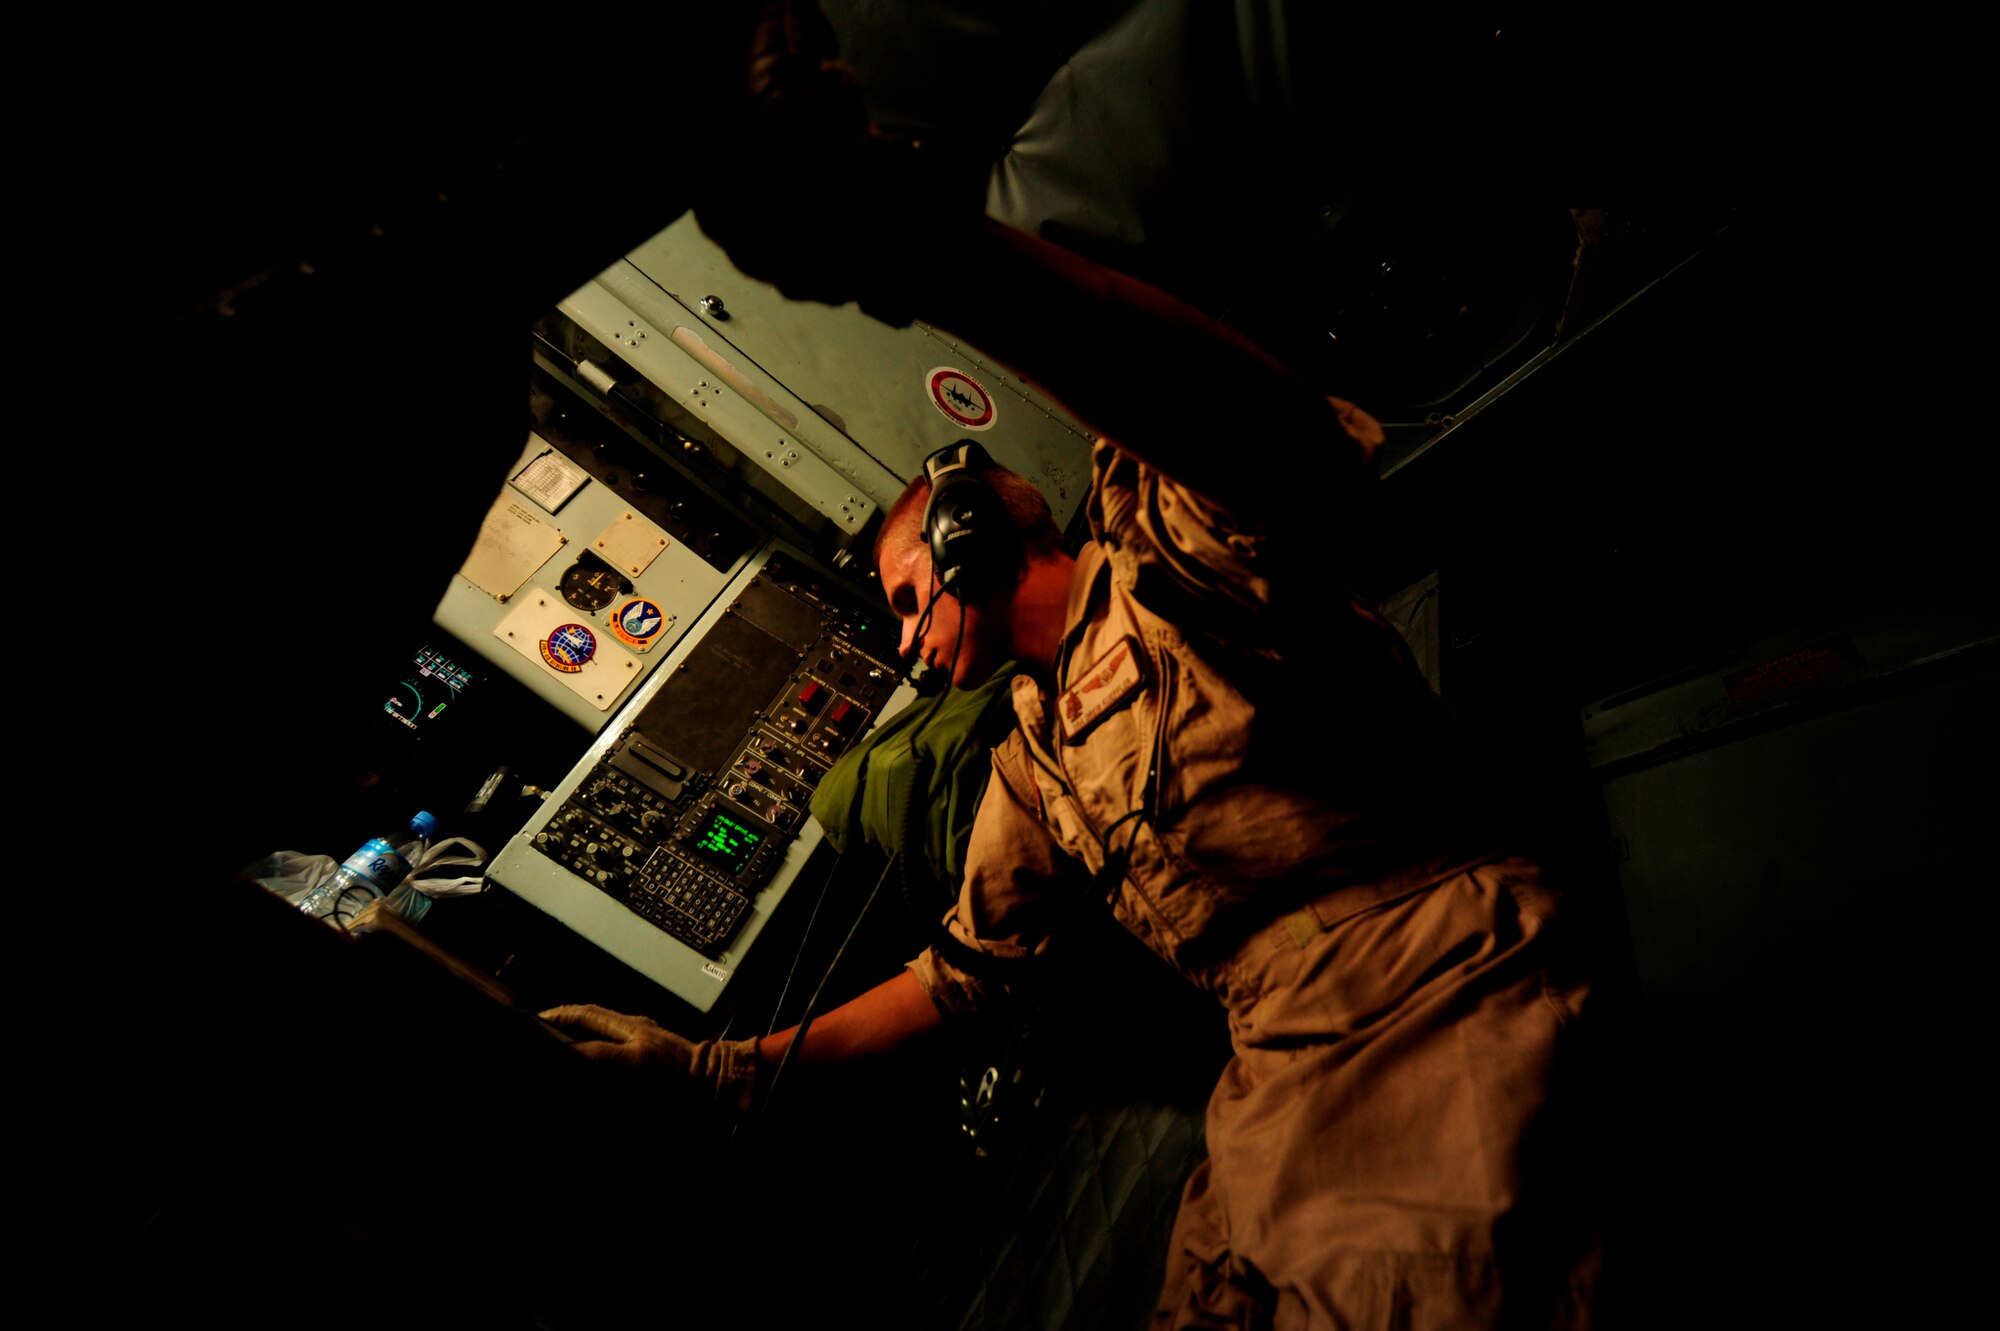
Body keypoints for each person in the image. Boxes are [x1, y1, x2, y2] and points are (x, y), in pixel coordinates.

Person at [541, 7, 1610, 1325]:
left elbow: (1269, 441)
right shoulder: (1037, 756)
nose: (904, 637)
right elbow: (960, 976)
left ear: (971, 532)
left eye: (905, 593)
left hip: (1436, 981)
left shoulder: (1169, 556)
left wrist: (914, 244)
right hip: (1272, 1070)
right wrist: (723, 1071)